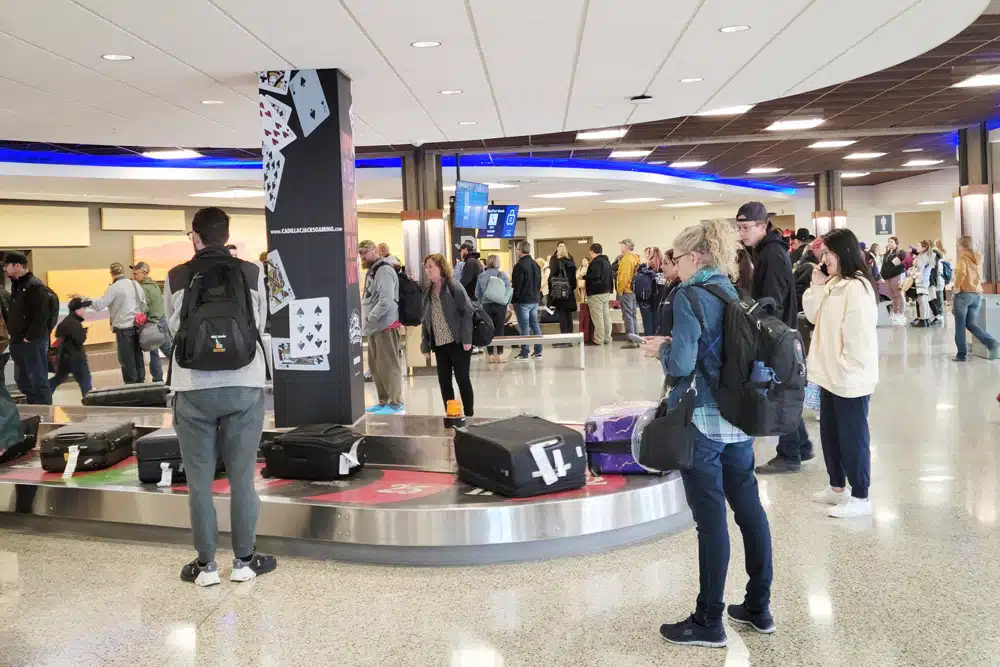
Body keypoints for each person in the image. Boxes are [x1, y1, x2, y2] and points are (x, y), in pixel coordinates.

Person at [640, 219, 773, 647]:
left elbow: (680, 364)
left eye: (676, 259)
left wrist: (660, 347)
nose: (672, 266)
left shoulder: (688, 295)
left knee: (710, 522)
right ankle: (758, 606)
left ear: (695, 257)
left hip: (703, 424)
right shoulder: (731, 291)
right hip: (739, 420)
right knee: (750, 512)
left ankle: (708, 620)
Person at [164, 207, 275, 586]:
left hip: (193, 389)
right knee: (243, 477)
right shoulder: (251, 272)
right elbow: (259, 323)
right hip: (244, 384)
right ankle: (245, 561)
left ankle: (206, 565)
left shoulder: (177, 275)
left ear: (195, 237)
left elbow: (175, 328)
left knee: (199, 482)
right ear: (226, 235)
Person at [802, 228, 879, 518]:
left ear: (842, 253)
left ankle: (861, 496)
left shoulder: (857, 287)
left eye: (827, 254)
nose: (823, 259)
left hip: (849, 377)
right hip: (828, 374)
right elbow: (812, 315)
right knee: (830, 433)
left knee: (852, 436)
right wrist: (818, 284)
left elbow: (858, 336)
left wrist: (847, 366)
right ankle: (837, 487)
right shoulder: (835, 283)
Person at [736, 203, 811, 475]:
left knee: (779, 394)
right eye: (740, 228)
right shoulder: (766, 252)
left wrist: (765, 332)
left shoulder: (772, 254)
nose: (742, 233)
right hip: (778, 331)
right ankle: (801, 445)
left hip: (776, 334)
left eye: (746, 228)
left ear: (762, 226)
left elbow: (772, 302)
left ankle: (789, 454)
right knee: (783, 390)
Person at [420, 254, 475, 416]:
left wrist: (467, 339)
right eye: (426, 267)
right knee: (444, 382)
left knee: (462, 379)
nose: (427, 270)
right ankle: (451, 414)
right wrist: (425, 343)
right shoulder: (427, 291)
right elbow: (426, 320)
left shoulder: (453, 286)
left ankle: (469, 414)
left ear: (440, 267)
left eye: (431, 266)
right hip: (440, 344)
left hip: (457, 342)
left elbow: (468, 312)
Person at [358, 240, 404, 415]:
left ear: (375, 251)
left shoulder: (384, 270)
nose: (362, 256)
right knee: (376, 367)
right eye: (360, 253)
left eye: (365, 252)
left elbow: (386, 299)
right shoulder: (373, 271)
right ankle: (384, 400)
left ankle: (395, 403)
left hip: (385, 325)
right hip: (374, 327)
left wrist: (371, 316)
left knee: (389, 365)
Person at [4, 252, 55, 404]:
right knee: (22, 380)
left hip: (33, 341)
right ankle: (34, 408)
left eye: (7, 265)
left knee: (38, 379)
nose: (5, 269)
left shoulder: (35, 285)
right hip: (18, 341)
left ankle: (45, 411)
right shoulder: (17, 285)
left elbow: (42, 315)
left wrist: (30, 337)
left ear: (17, 266)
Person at [88, 262, 147, 384]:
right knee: (137, 355)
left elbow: (99, 305)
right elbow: (144, 303)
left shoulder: (113, 288)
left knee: (126, 357)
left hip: (123, 328)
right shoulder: (135, 284)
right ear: (123, 272)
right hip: (137, 326)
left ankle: (131, 384)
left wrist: (84, 299)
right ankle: (141, 381)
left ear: (112, 274)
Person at [952, 235, 1000, 361]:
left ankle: (961, 354)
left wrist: (956, 287)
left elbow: (961, 273)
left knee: (960, 326)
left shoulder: (962, 257)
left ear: (962, 246)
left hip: (964, 294)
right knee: (971, 324)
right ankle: (991, 343)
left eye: (958, 245)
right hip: (977, 294)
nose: (958, 248)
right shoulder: (978, 257)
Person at [131, 262, 173, 384]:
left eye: (136, 273)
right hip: (162, 321)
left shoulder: (143, 288)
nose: (133, 276)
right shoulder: (154, 284)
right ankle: (159, 378)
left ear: (144, 273)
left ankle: (160, 377)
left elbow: (145, 307)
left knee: (162, 350)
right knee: (161, 349)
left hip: (153, 324)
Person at [49, 297, 93, 396]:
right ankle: (89, 400)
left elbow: (58, 334)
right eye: (83, 308)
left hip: (63, 356)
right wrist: (84, 333)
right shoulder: (75, 324)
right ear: (77, 310)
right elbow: (79, 341)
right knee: (85, 379)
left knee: (59, 378)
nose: (84, 311)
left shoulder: (65, 321)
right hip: (76, 357)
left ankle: (44, 393)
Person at [476, 254, 511, 363]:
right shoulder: (502, 275)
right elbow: (507, 290)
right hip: (500, 306)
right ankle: (500, 355)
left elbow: (477, 293)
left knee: (487, 329)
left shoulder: (481, 276)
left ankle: (490, 355)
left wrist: (483, 301)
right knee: (500, 329)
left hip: (486, 306)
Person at [511, 241, 543, 360]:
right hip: (534, 299)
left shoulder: (519, 265)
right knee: (535, 325)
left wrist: (513, 300)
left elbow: (517, 285)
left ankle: (524, 352)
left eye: (517, 249)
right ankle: (538, 351)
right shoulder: (536, 265)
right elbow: (539, 283)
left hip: (523, 301)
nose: (516, 251)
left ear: (520, 250)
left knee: (524, 327)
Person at [585, 243, 614, 346]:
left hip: (596, 292)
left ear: (592, 251)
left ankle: (599, 339)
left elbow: (595, 275)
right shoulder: (607, 262)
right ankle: (607, 338)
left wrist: (584, 277)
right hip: (606, 292)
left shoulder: (596, 262)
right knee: (606, 316)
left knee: (597, 317)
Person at [548, 242, 577, 341]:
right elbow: (574, 278)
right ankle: (571, 337)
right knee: (568, 315)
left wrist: (550, 292)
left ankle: (564, 338)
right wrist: (571, 287)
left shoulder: (555, 260)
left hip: (559, 291)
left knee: (561, 315)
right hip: (569, 292)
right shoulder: (571, 260)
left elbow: (552, 276)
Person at [616, 238, 641, 348]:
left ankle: (631, 341)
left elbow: (624, 276)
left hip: (626, 290)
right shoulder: (635, 257)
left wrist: (620, 290)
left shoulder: (626, 259)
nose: (621, 247)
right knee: (633, 315)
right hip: (634, 291)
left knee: (627, 316)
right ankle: (636, 339)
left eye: (622, 245)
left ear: (626, 246)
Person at [880, 236, 907, 325]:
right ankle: (896, 312)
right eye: (889, 242)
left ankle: (902, 314)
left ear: (896, 243)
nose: (890, 243)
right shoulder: (887, 253)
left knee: (899, 294)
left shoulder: (900, 252)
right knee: (892, 295)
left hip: (896, 275)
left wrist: (895, 269)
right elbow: (884, 265)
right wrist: (882, 274)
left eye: (892, 242)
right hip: (887, 277)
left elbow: (903, 262)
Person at [638, 248, 664, 336]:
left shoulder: (644, 268)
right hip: (660, 300)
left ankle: (648, 343)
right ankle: (655, 343)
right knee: (657, 324)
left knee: (647, 324)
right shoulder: (663, 268)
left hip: (646, 299)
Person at [911, 240, 935, 327]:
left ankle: (923, 320)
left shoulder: (923, 257)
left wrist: (912, 273)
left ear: (924, 248)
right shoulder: (927, 255)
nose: (916, 248)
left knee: (921, 301)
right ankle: (926, 319)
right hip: (925, 280)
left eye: (918, 246)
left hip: (920, 280)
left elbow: (919, 269)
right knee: (924, 301)